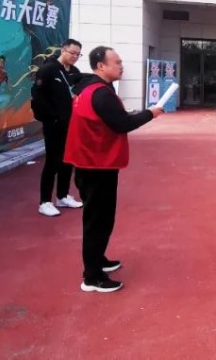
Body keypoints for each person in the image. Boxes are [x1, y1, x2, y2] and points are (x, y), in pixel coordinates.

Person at [64, 46, 164, 292]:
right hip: (96, 165)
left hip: (92, 163)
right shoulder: (100, 93)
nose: (121, 66)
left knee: (100, 218)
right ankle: (92, 277)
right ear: (101, 66)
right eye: (117, 62)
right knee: (97, 221)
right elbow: (122, 123)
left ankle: (97, 260)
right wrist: (150, 113)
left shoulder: (89, 89)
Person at [32, 40, 84, 217]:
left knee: (68, 159)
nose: (75, 56)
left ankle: (63, 196)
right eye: (72, 53)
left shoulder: (75, 72)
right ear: (63, 50)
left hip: (71, 123)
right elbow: (37, 96)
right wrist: (51, 117)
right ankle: (45, 202)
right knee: (53, 161)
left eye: (78, 54)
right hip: (53, 124)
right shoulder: (48, 69)